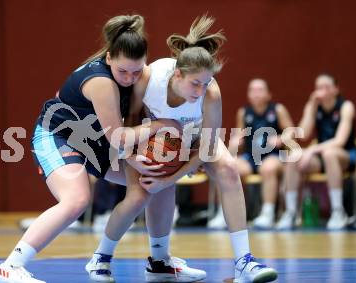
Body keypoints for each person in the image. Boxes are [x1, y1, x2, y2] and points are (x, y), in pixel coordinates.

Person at [0, 14, 181, 283]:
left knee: (158, 180)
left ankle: (160, 261)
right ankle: (9, 267)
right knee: (76, 200)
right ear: (110, 58)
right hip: (57, 135)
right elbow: (118, 138)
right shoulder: (101, 82)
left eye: (136, 71)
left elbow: (118, 135)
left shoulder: (137, 75)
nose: (129, 77)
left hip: (93, 141)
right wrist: (162, 125)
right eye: (123, 71)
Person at [87, 15, 278, 283]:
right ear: (178, 73)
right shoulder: (149, 78)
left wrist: (173, 175)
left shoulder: (211, 93)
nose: (200, 91)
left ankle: (244, 262)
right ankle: (141, 260)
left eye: (206, 83)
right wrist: (133, 158)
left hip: (196, 138)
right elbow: (129, 122)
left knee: (228, 169)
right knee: (141, 194)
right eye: (195, 83)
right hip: (155, 138)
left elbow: (209, 145)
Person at [208, 78, 294, 229]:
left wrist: (281, 138)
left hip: (273, 156)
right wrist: (236, 141)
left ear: (268, 94)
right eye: (252, 90)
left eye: (260, 90)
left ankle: (268, 213)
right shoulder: (244, 112)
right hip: (250, 157)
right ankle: (225, 214)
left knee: (267, 168)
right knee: (227, 169)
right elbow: (240, 133)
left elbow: (292, 131)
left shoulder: (277, 109)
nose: (256, 94)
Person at [276, 73, 356, 230]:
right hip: (322, 156)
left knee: (330, 154)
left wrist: (312, 150)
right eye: (319, 87)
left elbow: (339, 141)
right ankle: (291, 212)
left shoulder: (346, 106)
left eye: (326, 87)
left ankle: (338, 211)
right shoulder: (314, 106)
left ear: (335, 89)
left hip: (346, 155)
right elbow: (304, 134)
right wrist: (311, 107)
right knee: (294, 156)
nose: (322, 90)